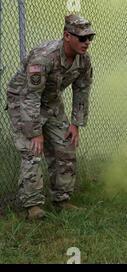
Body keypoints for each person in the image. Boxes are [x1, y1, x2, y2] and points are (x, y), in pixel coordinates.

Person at [5, 14, 95, 220]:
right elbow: (30, 95)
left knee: (66, 145)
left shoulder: (84, 59)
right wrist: (35, 132)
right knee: (32, 151)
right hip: (23, 101)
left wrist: (76, 124)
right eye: (82, 38)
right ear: (67, 36)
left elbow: (82, 90)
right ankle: (33, 206)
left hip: (51, 101)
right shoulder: (44, 57)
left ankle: (62, 200)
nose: (87, 42)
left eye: (90, 37)